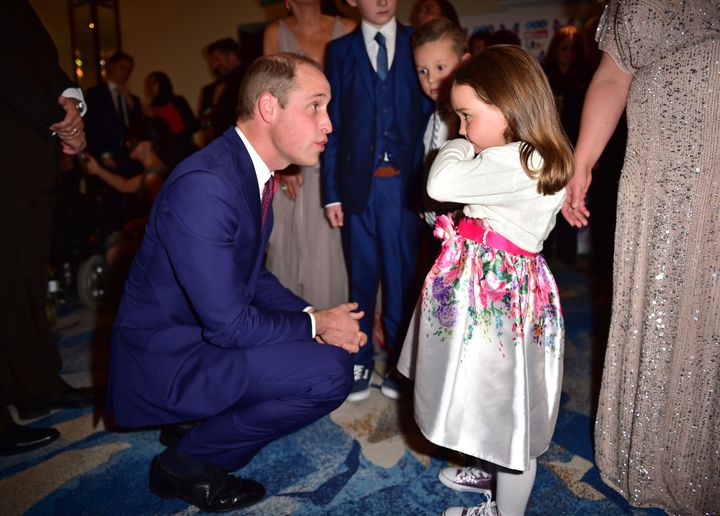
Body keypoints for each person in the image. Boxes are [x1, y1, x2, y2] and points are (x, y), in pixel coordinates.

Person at [105, 53, 368, 513]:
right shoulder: (206, 185)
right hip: (171, 359)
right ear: (269, 107)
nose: (328, 124)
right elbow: (228, 326)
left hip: (200, 336)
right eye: (316, 106)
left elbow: (251, 277)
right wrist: (316, 326)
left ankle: (196, 423)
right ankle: (184, 465)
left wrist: (313, 318)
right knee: (329, 374)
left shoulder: (243, 169)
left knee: (325, 348)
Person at [398, 45, 573, 516]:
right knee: (491, 391)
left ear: (506, 105)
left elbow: (440, 185)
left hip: (497, 295)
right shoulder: (528, 155)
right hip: (500, 289)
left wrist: (455, 145)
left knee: (507, 408)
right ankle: (490, 466)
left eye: (467, 116)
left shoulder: (517, 160)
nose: (462, 128)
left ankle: (504, 510)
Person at [561, 1, 719, 513]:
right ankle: (649, 447)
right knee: (654, 306)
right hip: (655, 174)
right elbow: (613, 75)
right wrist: (581, 162)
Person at [322, 0, 433, 401]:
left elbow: (429, 114)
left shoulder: (416, 43)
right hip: (357, 188)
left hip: (404, 186)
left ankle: (401, 366)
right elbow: (332, 125)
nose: (383, 1)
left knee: (403, 278)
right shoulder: (339, 51)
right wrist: (330, 192)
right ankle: (360, 357)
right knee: (362, 278)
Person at [0, 0, 94, 456]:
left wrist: (69, 105)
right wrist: (56, 118)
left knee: (27, 279)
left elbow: (34, 56)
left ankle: (36, 384)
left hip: (30, 153)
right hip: (12, 142)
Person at [262, 0, 354, 310]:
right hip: (296, 158)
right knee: (295, 246)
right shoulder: (275, 32)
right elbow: (270, 103)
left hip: (343, 156)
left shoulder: (349, 28)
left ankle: (343, 332)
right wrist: (284, 163)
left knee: (340, 249)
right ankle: (300, 332)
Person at [82, 117, 171, 267]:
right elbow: (124, 184)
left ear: (145, 144)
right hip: (157, 238)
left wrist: (133, 224)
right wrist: (97, 170)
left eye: (132, 139)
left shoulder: (153, 176)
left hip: (160, 244)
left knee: (113, 254)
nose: (127, 143)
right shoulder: (151, 172)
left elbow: (160, 217)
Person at [541, 26, 589, 266]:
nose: (568, 53)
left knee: (570, 201)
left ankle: (568, 259)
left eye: (573, 49)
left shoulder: (585, 79)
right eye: (564, 47)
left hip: (575, 150)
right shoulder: (545, 76)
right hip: (547, 150)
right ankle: (544, 257)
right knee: (546, 202)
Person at [199, 38, 248, 143]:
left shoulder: (251, 79)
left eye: (217, 59)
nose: (214, 65)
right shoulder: (213, 89)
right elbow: (205, 123)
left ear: (231, 56)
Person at [145, 71, 199, 167]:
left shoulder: (178, 101)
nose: (150, 87)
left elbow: (192, 124)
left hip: (186, 150)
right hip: (166, 156)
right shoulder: (150, 109)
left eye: (153, 83)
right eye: (148, 84)